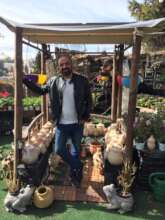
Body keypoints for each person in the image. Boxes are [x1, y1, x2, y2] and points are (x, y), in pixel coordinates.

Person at [23, 54, 92, 187]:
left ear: (71, 65)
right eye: (61, 65)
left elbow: (89, 100)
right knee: (59, 149)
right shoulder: (53, 81)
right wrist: (25, 80)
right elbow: (40, 90)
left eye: (66, 64)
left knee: (75, 151)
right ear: (58, 67)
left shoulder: (82, 80)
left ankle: (75, 176)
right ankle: (78, 165)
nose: (64, 66)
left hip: (77, 123)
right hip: (61, 123)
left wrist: (85, 117)